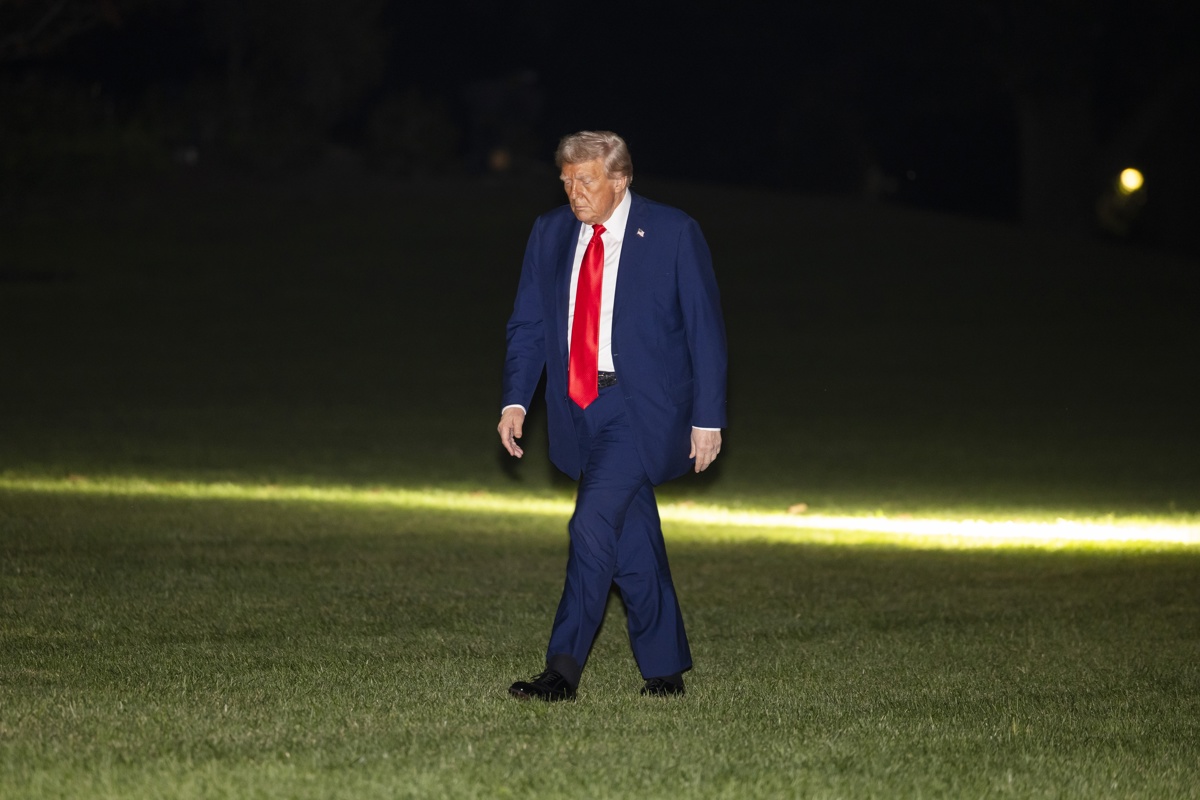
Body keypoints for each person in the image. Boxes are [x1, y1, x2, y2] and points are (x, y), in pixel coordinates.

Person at [498, 130, 727, 700]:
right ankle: (665, 667)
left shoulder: (673, 232)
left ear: (620, 179)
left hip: (637, 408)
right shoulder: (550, 233)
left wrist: (708, 418)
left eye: (587, 180)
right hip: (576, 408)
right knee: (631, 539)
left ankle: (563, 669)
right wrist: (516, 399)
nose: (575, 193)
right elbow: (528, 325)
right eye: (567, 181)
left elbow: (706, 330)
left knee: (591, 524)